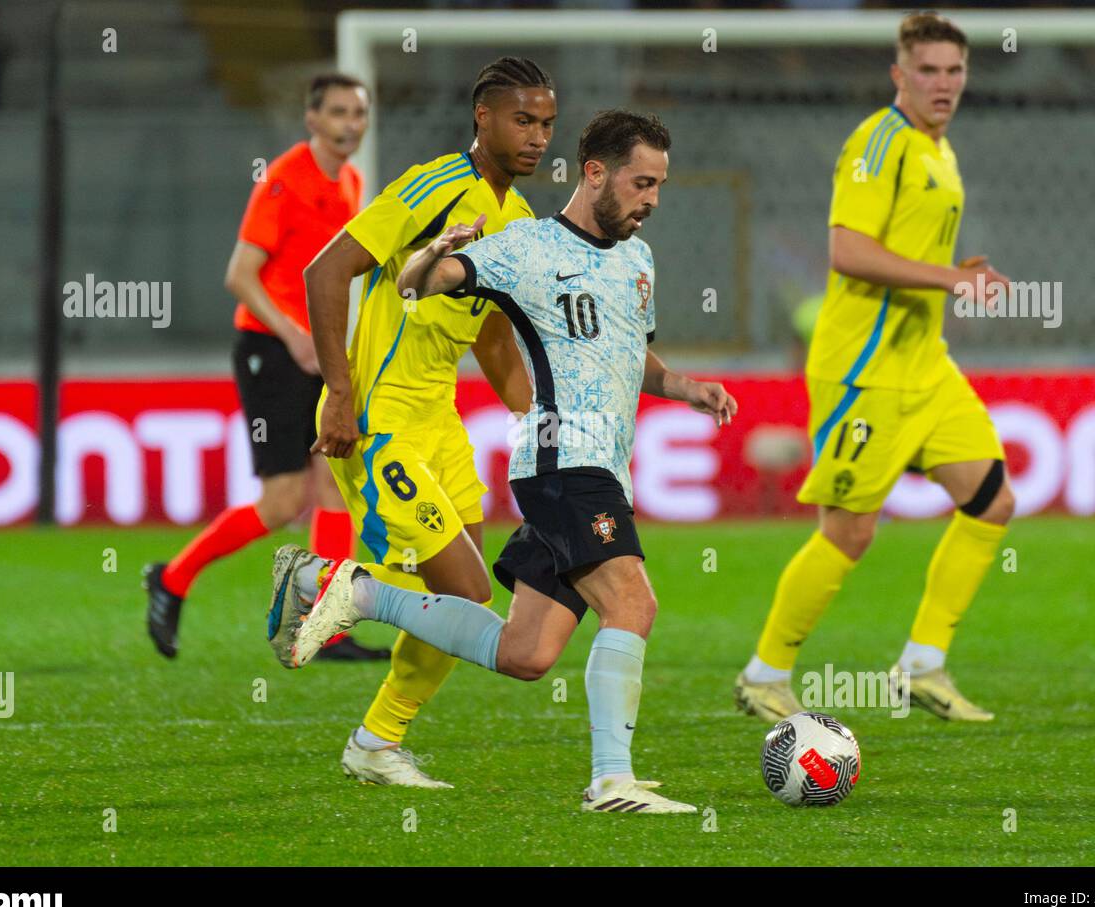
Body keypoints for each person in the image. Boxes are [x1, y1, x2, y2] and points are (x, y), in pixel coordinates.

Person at [275, 110, 738, 814]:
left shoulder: (639, 261)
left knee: (526, 654)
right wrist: (435, 253)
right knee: (633, 603)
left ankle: (360, 595)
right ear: (595, 173)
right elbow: (419, 285)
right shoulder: (526, 246)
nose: (652, 200)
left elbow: (624, 351)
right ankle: (612, 782)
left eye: (659, 186)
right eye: (642, 183)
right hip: (563, 461)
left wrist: (682, 386)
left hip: (603, 467)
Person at [266, 57, 554, 788]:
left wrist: (544, 413)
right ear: (482, 118)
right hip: (382, 417)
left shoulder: (517, 221)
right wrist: (337, 390)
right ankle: (323, 583)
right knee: (464, 593)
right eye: (523, 120)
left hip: (442, 424)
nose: (537, 136)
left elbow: (490, 337)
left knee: (455, 600)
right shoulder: (432, 186)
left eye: (547, 123)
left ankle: (375, 742)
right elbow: (325, 271)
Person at [734, 12, 1015, 723]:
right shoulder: (878, 141)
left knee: (991, 502)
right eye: (928, 70)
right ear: (900, 75)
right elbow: (848, 252)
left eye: (955, 71)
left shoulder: (938, 150)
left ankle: (922, 665)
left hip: (926, 365)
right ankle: (764, 674)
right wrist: (948, 280)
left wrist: (951, 272)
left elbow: (908, 252)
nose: (943, 83)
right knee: (850, 533)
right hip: (866, 368)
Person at [143, 74, 385, 662]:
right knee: (281, 502)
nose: (351, 123)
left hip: (315, 349)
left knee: (333, 479)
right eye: (338, 112)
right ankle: (172, 579)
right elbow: (240, 275)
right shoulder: (283, 180)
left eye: (359, 112)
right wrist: (294, 335)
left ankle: (324, 624)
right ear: (312, 118)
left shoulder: (350, 181)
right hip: (270, 350)